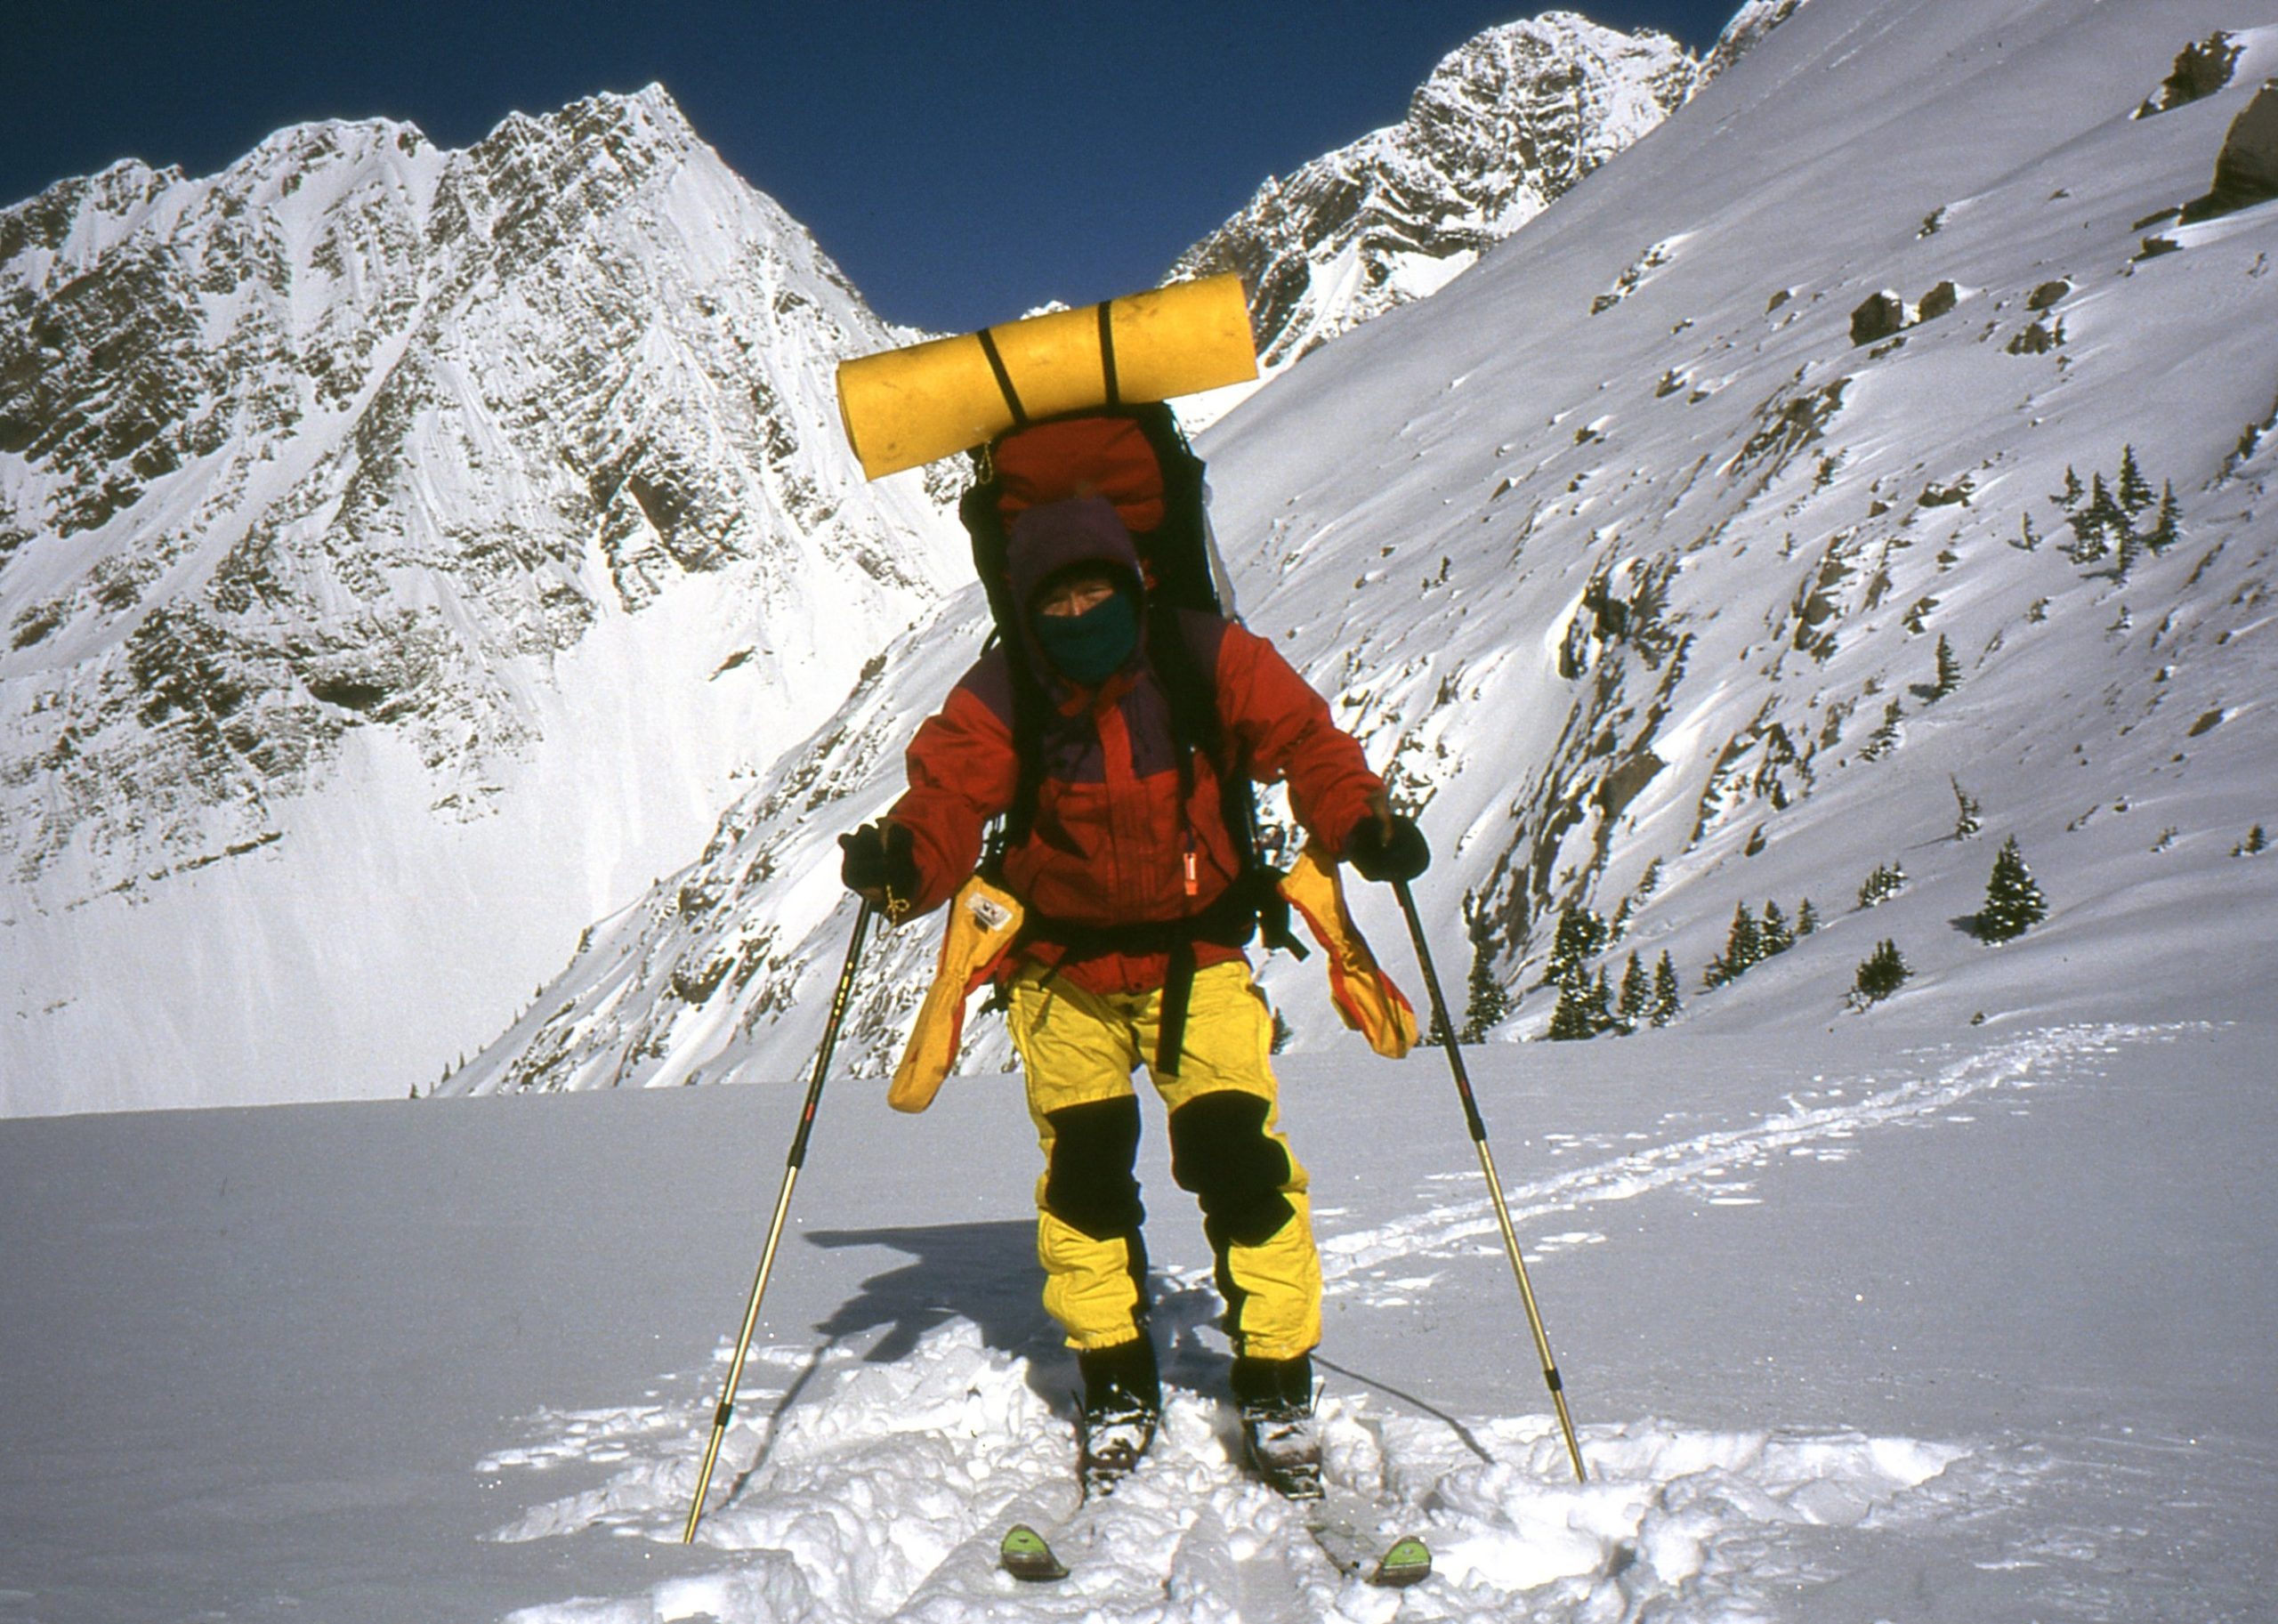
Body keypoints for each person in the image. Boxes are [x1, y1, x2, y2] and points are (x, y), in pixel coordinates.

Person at [839, 492, 1428, 1497]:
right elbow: (946, 797)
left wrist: (1360, 817)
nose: (1077, 614)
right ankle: (1115, 1374)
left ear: (1133, 582)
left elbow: (1309, 741)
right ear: (1024, 610)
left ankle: (1277, 1378)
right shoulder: (1004, 694)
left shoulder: (1206, 661)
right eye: (1055, 601)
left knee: (1237, 1158)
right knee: (1086, 1177)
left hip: (1195, 959)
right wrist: (906, 860)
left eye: (1094, 589)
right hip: (1059, 971)